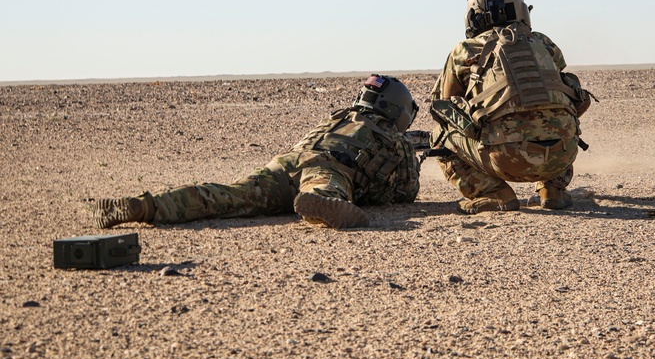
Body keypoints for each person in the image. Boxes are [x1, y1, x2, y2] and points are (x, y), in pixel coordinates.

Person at [94, 75, 421, 230]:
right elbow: (406, 192)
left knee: (225, 196)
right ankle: (317, 207)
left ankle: (146, 206)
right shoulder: (391, 137)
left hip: (284, 163)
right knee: (326, 191)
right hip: (329, 168)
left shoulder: (338, 117)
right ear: (398, 111)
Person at [429, 0, 592, 214]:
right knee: (556, 116)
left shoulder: (464, 50)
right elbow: (570, 95)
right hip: (562, 155)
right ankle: (552, 189)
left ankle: (493, 194)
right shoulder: (544, 43)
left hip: (505, 159)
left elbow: (444, 108)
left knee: (440, 135)